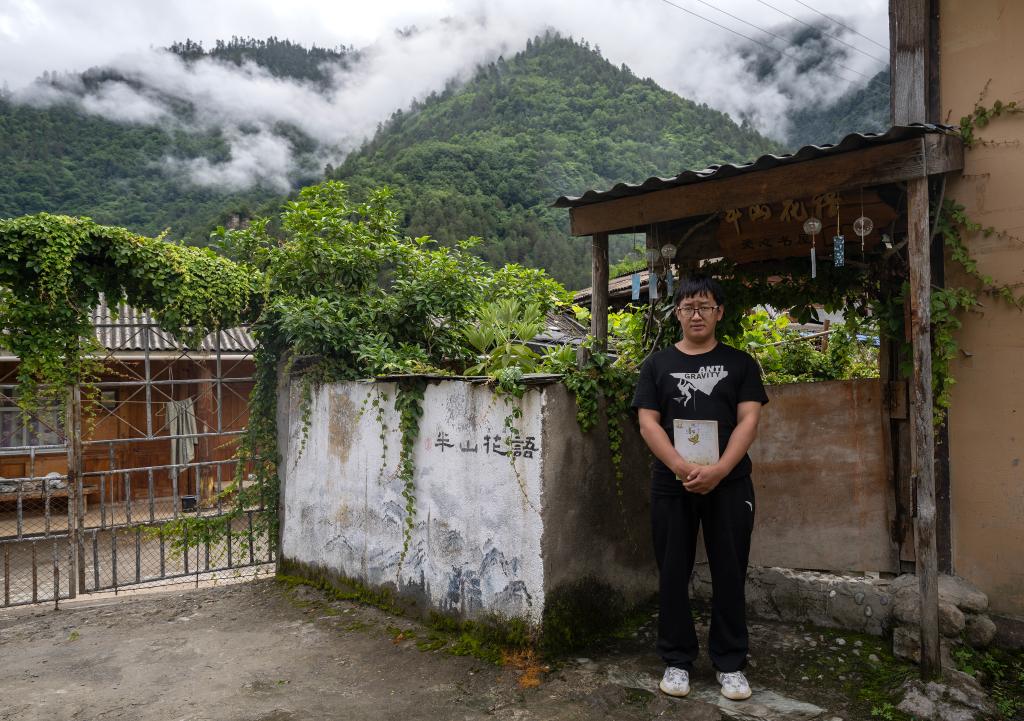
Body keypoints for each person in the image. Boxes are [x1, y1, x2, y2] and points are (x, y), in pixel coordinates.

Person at [631, 274, 768, 701]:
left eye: (704, 306)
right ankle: (676, 660)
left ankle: (730, 664)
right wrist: (681, 466)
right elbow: (647, 422)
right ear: (677, 313)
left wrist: (721, 470)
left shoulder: (741, 363)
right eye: (688, 306)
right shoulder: (657, 365)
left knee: (731, 570)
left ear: (719, 312)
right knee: (673, 571)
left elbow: (748, 419)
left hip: (730, 483)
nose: (696, 314)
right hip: (673, 485)